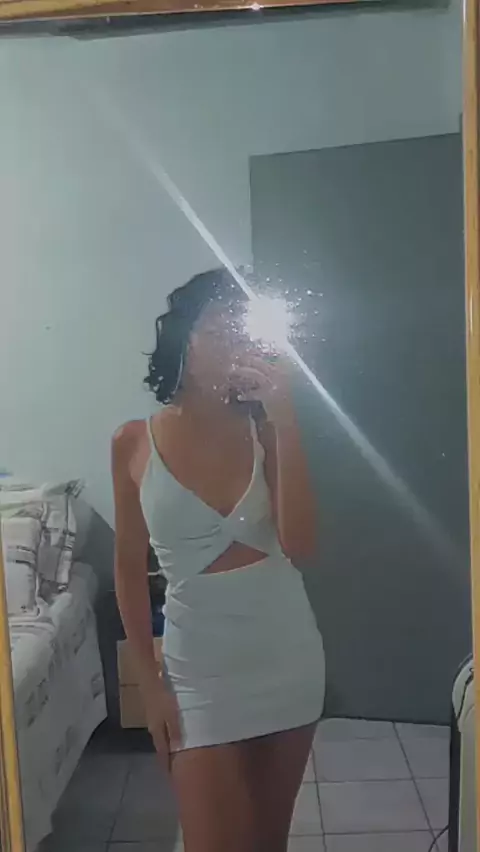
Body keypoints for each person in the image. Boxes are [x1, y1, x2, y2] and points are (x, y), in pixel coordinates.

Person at [112, 268, 325, 852]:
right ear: (183, 338)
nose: (234, 342)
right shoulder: (132, 442)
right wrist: (149, 684)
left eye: (242, 329)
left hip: (286, 658)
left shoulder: (266, 429)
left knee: (267, 843)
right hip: (196, 675)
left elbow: (302, 545)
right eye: (220, 328)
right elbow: (128, 569)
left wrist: (285, 418)